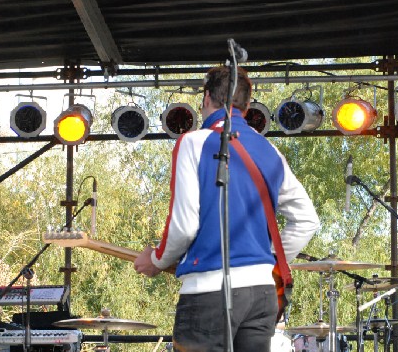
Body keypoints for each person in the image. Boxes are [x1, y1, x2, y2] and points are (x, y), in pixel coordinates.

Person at [134, 65, 320, 352]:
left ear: (207, 98)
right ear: (245, 106)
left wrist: (157, 260)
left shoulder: (192, 143)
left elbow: (183, 226)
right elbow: (307, 220)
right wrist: (264, 261)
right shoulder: (270, 151)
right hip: (261, 295)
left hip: (208, 294)